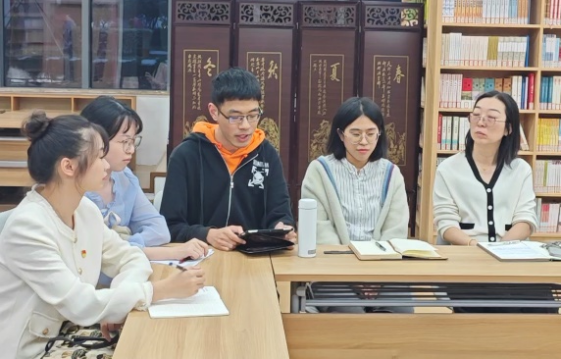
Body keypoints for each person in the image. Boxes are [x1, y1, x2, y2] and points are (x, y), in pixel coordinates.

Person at [0, 112, 205, 359]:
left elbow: (131, 257)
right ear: (68, 166)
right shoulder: (27, 227)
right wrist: (158, 290)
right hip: (32, 350)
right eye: (99, 156)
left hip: (71, 334)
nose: (107, 165)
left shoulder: (85, 210)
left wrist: (118, 305)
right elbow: (80, 304)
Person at [433, 90, 554, 313]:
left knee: (544, 305)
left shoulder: (520, 169)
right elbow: (446, 224)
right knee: (494, 305)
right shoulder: (448, 169)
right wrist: (476, 247)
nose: (481, 122)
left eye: (491, 117)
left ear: (508, 128)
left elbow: (526, 220)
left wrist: (501, 250)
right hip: (467, 260)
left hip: (512, 259)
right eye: (476, 115)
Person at [161, 67, 296, 251]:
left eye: (253, 115)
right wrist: (208, 234)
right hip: (201, 257)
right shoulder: (186, 155)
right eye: (235, 117)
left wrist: (282, 228)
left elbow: (280, 213)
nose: (245, 126)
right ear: (214, 112)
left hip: (255, 258)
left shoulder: (267, 155)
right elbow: (169, 226)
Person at [301, 97, 411, 314]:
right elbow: (320, 232)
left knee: (400, 314)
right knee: (350, 315)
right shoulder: (319, 171)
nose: (363, 141)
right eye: (355, 133)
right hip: (332, 271)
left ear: (379, 134)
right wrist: (353, 274)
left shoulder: (391, 173)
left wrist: (375, 275)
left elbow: (396, 231)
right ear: (341, 134)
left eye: (371, 133)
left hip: (383, 272)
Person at [82, 96, 208, 261]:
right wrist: (131, 247)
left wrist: (126, 244)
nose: (131, 150)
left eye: (133, 141)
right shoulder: (75, 187)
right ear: (96, 140)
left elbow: (159, 230)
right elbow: (92, 251)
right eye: (124, 141)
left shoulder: (125, 178)